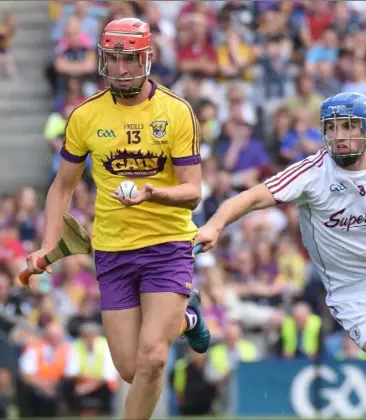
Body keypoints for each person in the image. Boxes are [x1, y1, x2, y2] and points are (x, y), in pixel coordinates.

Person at [24, 18, 210, 420]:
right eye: (112, 58)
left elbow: (194, 192)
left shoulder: (176, 112)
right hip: (112, 250)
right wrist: (46, 245)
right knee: (130, 369)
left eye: (128, 59)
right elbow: (61, 188)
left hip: (167, 245)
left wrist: (152, 192)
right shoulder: (85, 116)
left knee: (154, 358)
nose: (120, 69)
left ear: (147, 59)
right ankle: (187, 316)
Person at [196, 92, 366, 352]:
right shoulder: (313, 173)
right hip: (351, 291)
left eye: (348, 126)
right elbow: (252, 198)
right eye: (331, 127)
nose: (339, 135)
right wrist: (214, 225)